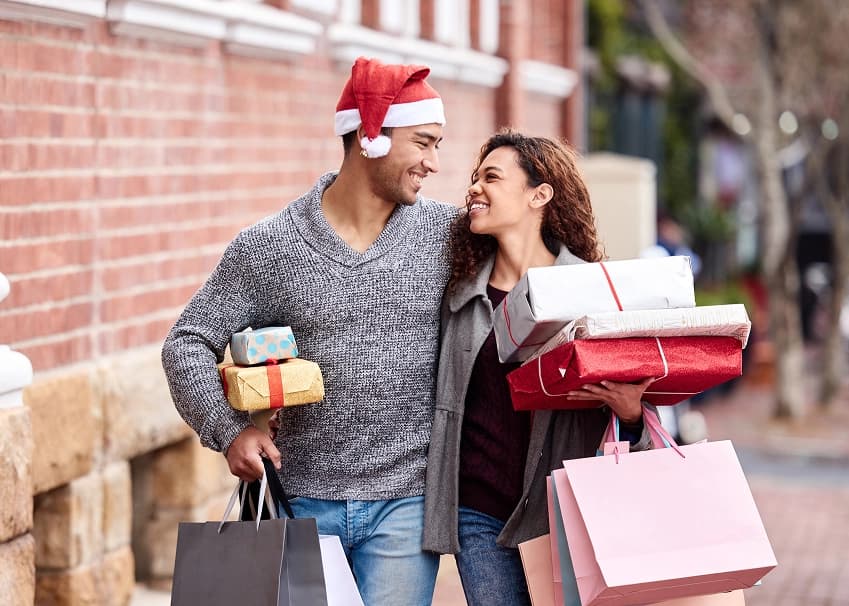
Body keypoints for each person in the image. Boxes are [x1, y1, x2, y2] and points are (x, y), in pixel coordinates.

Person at [161, 57, 455, 606]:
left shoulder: (448, 236)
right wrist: (229, 431)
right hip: (298, 506)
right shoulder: (269, 247)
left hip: (408, 506)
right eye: (423, 142)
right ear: (371, 135)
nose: (434, 162)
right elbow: (187, 343)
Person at [423, 130, 654, 605]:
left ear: (539, 194)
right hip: (479, 512)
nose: (474, 189)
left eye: (491, 177)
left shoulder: (590, 296)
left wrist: (630, 415)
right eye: (474, 178)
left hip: (567, 514)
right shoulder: (461, 296)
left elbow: (638, 422)